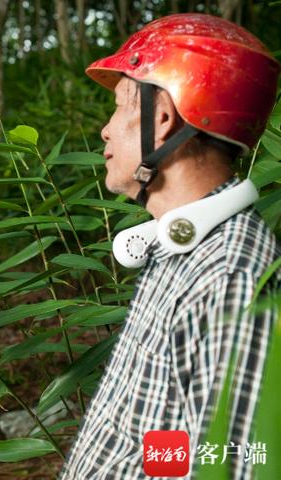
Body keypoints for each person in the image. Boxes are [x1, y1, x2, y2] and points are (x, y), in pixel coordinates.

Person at [60, 14, 280, 479]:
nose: (105, 130)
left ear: (162, 120)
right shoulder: (185, 247)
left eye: (120, 106)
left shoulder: (229, 277)